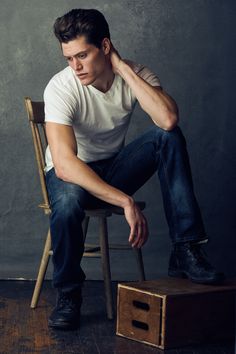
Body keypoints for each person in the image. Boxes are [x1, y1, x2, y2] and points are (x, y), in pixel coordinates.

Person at [44, 8, 224, 330]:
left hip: (112, 168)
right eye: (69, 58)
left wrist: (123, 70)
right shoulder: (61, 87)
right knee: (69, 204)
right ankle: (69, 294)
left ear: (106, 46)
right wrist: (125, 201)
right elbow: (65, 165)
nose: (76, 66)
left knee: (166, 137)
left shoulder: (136, 74)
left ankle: (186, 249)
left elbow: (168, 120)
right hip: (71, 173)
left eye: (83, 55)